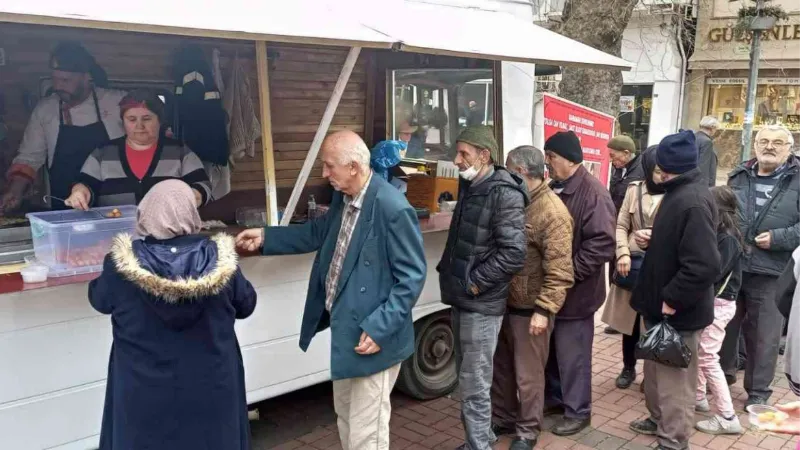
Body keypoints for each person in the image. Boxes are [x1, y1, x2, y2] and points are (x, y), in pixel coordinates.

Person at [236, 130, 426, 450]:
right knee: (346, 416)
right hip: (346, 328)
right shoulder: (343, 196)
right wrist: (265, 238)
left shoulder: (392, 207)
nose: (325, 174)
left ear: (353, 167)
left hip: (374, 336)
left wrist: (380, 328)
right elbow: (316, 234)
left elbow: (412, 278)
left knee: (368, 433)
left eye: (329, 166)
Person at [89, 180, 257, 450]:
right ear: (191, 212)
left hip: (142, 391)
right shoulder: (222, 261)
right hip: (212, 387)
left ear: (146, 214)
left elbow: (99, 300)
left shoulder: (119, 264)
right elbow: (247, 305)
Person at [628, 130, 720, 450]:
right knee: (656, 375)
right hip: (660, 307)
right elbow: (684, 247)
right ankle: (658, 421)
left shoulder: (691, 200)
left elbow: (704, 264)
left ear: (668, 168)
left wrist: (671, 298)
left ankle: (674, 441)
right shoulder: (681, 191)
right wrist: (656, 239)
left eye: (657, 168)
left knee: (675, 383)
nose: (654, 173)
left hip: (677, 312)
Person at [437, 125, 527, 450]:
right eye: (457, 152)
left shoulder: (503, 192)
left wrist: (474, 284)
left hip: (480, 302)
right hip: (463, 297)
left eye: (464, 153)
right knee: (468, 377)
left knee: (474, 383)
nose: (456, 159)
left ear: (484, 155)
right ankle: (482, 438)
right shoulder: (472, 185)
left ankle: (479, 447)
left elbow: (514, 252)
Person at [491, 146, 574, 450]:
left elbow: (561, 269)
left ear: (521, 172)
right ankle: (502, 417)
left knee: (528, 376)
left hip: (531, 308)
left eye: (509, 171)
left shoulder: (552, 212)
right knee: (503, 369)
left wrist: (544, 309)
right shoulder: (517, 201)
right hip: (504, 302)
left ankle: (527, 431)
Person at [720, 124, 800, 408]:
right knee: (725, 326)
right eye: (763, 141)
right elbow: (725, 212)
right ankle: (722, 377)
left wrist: (780, 238)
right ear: (754, 144)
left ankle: (758, 392)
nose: (769, 146)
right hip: (734, 266)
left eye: (778, 142)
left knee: (764, 335)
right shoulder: (738, 175)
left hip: (773, 270)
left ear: (789, 148)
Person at [543, 131, 616, 436]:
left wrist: (565, 273)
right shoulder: (555, 187)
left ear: (570, 160)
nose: (547, 162)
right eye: (547, 156)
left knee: (574, 356)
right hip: (556, 291)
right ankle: (558, 400)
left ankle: (579, 411)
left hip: (577, 293)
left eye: (552, 157)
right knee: (554, 353)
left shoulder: (593, 193)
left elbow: (602, 244)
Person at [1, 41, 126, 212]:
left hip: (115, 205)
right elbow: (29, 158)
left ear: (87, 77)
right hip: (64, 204)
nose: (58, 86)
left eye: (65, 80)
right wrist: (15, 191)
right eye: (55, 79)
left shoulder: (116, 103)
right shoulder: (46, 110)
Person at [65, 90, 211, 209]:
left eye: (147, 119)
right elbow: (85, 184)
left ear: (160, 121)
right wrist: (79, 191)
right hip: (115, 235)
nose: (139, 126)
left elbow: (203, 186)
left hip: (170, 234)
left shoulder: (180, 152)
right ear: (123, 122)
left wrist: (193, 196)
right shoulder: (102, 153)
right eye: (132, 119)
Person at [601, 146, 665, 390]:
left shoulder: (675, 194)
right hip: (633, 264)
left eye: (665, 171)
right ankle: (628, 367)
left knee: (653, 322)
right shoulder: (634, 190)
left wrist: (655, 237)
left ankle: (651, 372)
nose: (661, 176)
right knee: (630, 322)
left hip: (659, 267)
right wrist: (622, 254)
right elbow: (621, 225)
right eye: (657, 170)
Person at [694, 186, 744, 435]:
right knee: (703, 352)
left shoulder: (728, 240)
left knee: (708, 357)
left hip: (720, 303)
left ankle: (727, 416)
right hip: (718, 302)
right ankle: (699, 397)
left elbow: (714, 272)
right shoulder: (723, 234)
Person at [605, 135, 645, 335]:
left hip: (632, 230)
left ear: (626, 153)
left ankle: (631, 318)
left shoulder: (639, 171)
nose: (612, 160)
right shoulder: (618, 169)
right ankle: (617, 319)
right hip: (617, 225)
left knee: (628, 271)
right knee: (615, 271)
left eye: (614, 156)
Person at [695, 116, 720, 187]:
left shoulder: (694, 137)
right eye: (716, 129)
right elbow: (704, 166)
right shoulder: (707, 142)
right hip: (701, 184)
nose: (715, 131)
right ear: (712, 128)